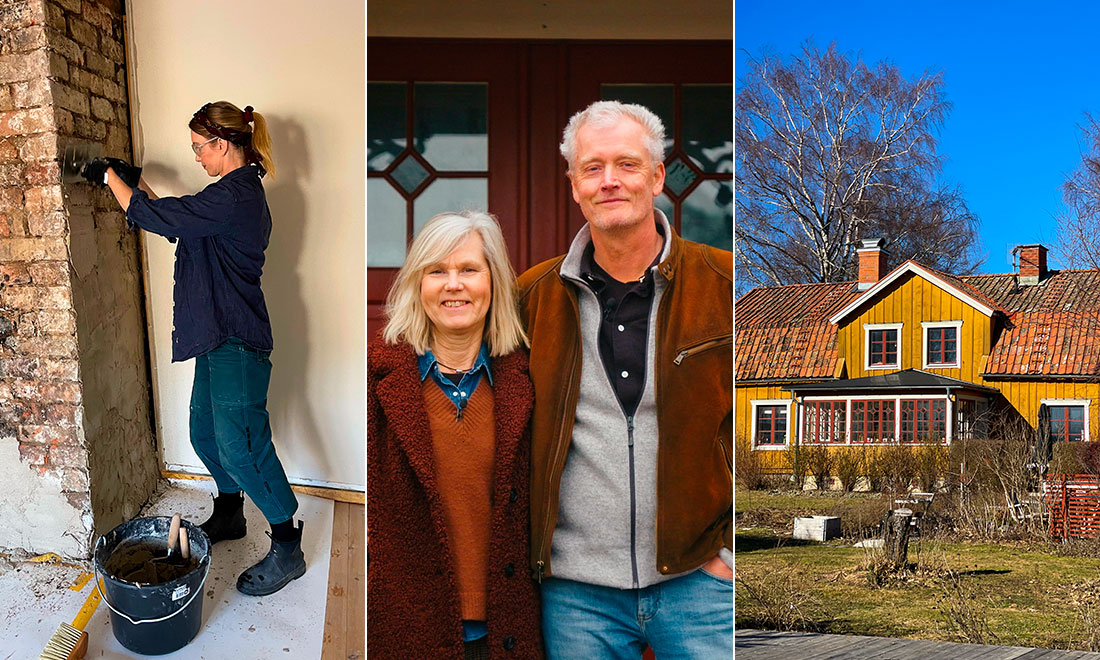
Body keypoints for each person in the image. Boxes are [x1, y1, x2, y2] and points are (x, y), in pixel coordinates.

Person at [516, 100, 733, 658]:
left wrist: (729, 555)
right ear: (574, 185)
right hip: (574, 596)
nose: (609, 181)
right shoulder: (530, 297)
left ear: (658, 176)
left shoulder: (725, 283)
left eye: (627, 164)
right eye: (592, 167)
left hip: (701, 584)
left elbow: (751, 419)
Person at [83, 101, 305, 597]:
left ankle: (289, 547)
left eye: (199, 149)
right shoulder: (226, 197)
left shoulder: (238, 195)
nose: (198, 158)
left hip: (237, 340)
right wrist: (134, 182)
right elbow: (177, 220)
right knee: (205, 434)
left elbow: (160, 218)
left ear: (222, 144)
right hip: (216, 336)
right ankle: (230, 514)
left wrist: (108, 179)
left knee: (242, 447)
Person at [367, 211, 543, 659]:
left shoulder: (531, 377)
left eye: (469, 269)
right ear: (417, 285)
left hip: (509, 625)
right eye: (437, 271)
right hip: (405, 624)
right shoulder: (374, 377)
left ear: (494, 282)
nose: (453, 284)